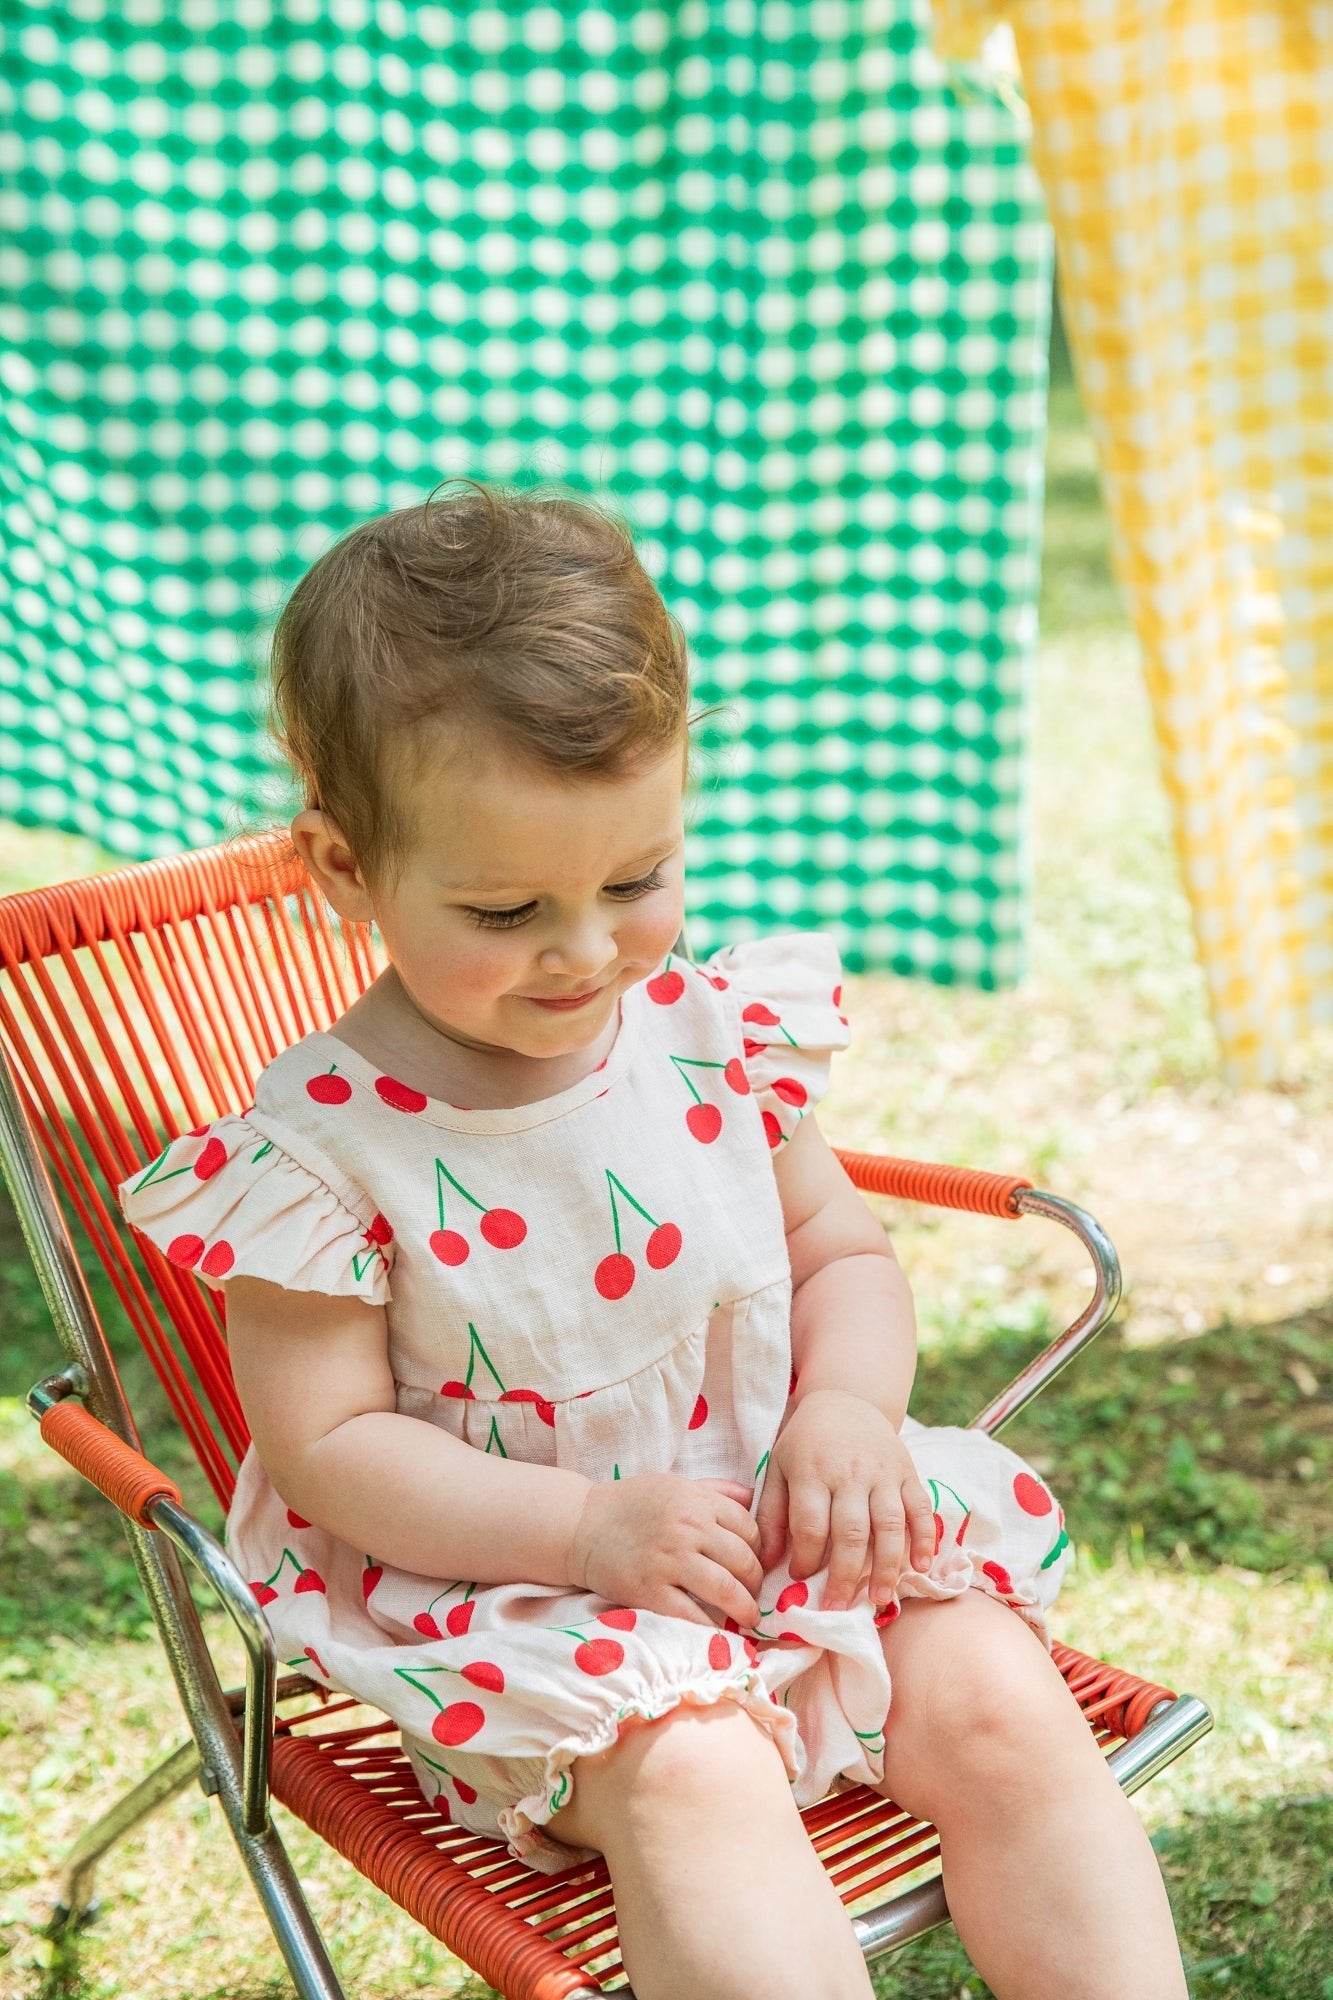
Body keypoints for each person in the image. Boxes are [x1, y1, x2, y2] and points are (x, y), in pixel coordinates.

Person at [118, 487, 1186, 2000]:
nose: (586, 952)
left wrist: (841, 1413)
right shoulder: (319, 1155)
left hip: (791, 1523)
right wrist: (583, 1536)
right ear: (345, 869)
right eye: (505, 908)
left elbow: (839, 1258)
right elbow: (330, 1451)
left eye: (636, 882)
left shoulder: (707, 1034)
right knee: (699, 1784)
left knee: (1003, 1702)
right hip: (535, 1608)